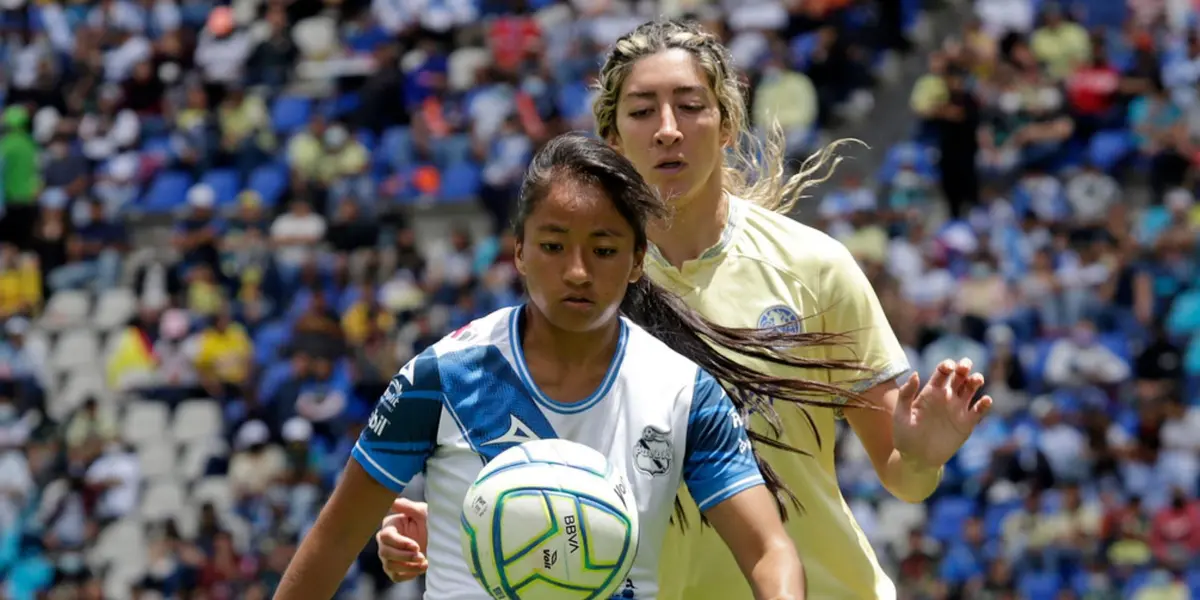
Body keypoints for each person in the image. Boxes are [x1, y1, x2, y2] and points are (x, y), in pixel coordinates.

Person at [377, 18, 993, 600]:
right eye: (642, 111)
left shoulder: (815, 267)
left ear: (726, 123)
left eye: (690, 106)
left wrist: (921, 452)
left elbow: (905, 479)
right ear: (611, 139)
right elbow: (561, 470)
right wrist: (466, 524)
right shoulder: (584, 289)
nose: (667, 128)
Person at [278, 133, 928, 599]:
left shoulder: (683, 393)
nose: (578, 271)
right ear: (519, 254)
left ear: (639, 259)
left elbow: (767, 550)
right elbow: (334, 542)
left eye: (604, 247)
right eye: (554, 246)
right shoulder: (440, 377)